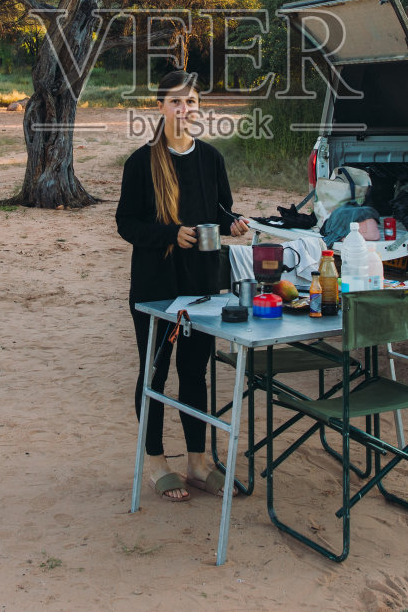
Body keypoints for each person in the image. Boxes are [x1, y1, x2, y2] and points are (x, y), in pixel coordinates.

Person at [117, 70, 250, 503]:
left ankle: (197, 460)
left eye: (190, 102)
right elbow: (126, 223)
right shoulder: (141, 162)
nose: (184, 109)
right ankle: (155, 462)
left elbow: (220, 208)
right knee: (154, 371)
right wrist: (170, 234)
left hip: (203, 286)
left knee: (195, 373)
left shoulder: (210, 158)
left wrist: (235, 223)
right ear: (160, 107)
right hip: (156, 287)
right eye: (175, 102)